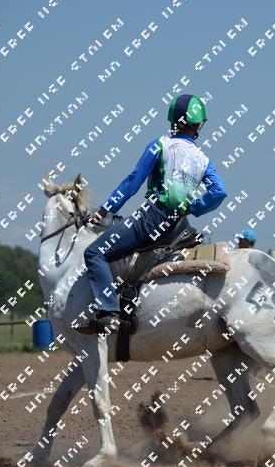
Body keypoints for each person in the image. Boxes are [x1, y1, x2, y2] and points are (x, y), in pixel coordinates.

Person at [80, 94, 227, 332]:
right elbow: (219, 192)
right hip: (179, 225)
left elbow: (132, 183)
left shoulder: (160, 145)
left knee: (95, 252)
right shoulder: (203, 160)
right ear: (199, 125)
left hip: (151, 219)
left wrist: (105, 210)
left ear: (173, 120)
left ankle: (108, 311)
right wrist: (194, 207)